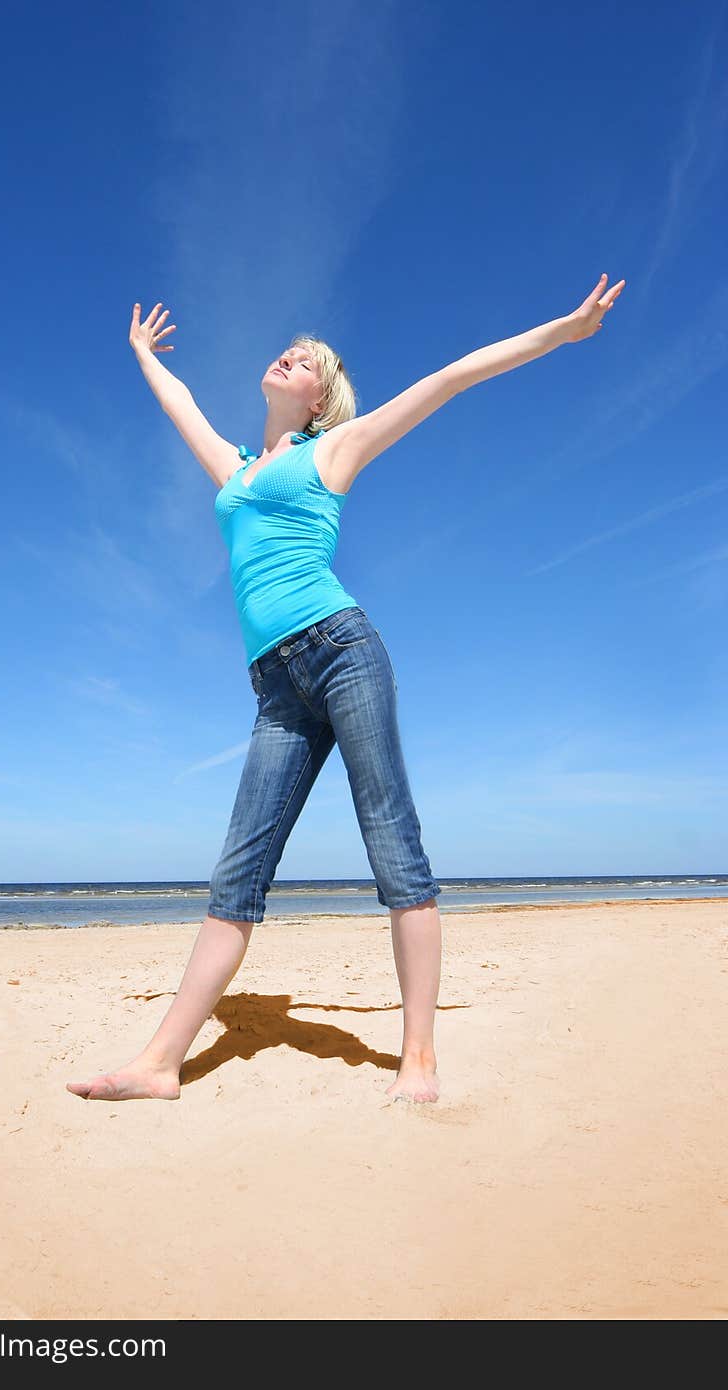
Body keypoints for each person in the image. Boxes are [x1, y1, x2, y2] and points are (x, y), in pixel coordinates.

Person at [67, 274, 625, 1106]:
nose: (288, 355)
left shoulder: (335, 449)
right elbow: (182, 405)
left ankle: (420, 1063)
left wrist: (562, 332)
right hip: (275, 688)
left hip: (342, 652)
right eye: (286, 351)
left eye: (307, 361)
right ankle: (158, 1065)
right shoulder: (236, 469)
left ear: (322, 397)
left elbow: (452, 377)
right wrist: (144, 355)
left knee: (393, 846)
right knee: (238, 874)